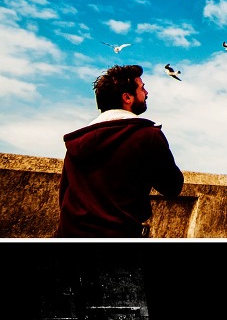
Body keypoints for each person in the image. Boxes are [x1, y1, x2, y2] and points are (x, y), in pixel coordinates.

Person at [55, 62, 184, 237]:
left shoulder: (77, 142)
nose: (146, 93)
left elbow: (64, 196)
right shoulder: (146, 135)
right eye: (142, 88)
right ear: (127, 98)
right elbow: (172, 186)